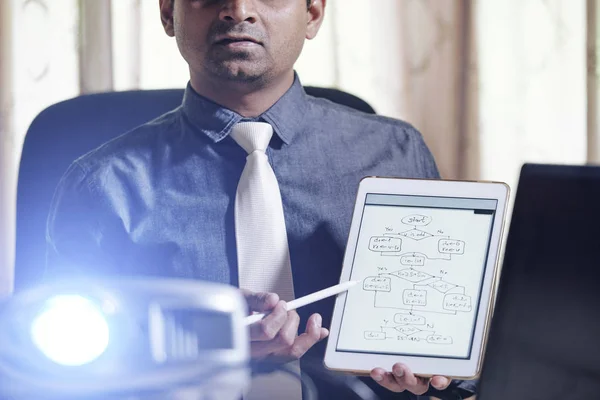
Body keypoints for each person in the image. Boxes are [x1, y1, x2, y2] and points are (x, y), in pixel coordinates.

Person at [45, 0, 477, 398]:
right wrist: (208, 347)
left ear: (311, 13)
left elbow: (443, 352)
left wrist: (435, 376)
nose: (237, 10)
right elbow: (56, 370)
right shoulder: (102, 186)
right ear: (168, 13)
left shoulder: (396, 153)